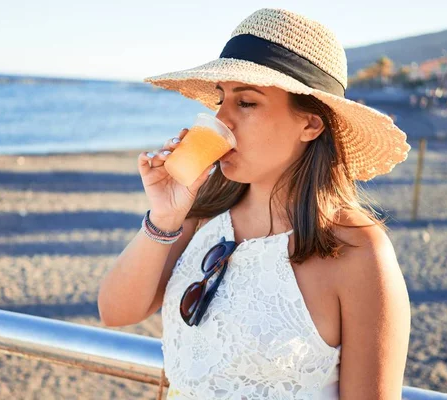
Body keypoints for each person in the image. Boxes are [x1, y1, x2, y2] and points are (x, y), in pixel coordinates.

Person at [98, 8, 412, 399]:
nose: (221, 118)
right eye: (221, 99)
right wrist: (164, 218)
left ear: (311, 124)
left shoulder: (357, 252)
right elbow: (116, 312)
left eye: (246, 103)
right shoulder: (204, 213)